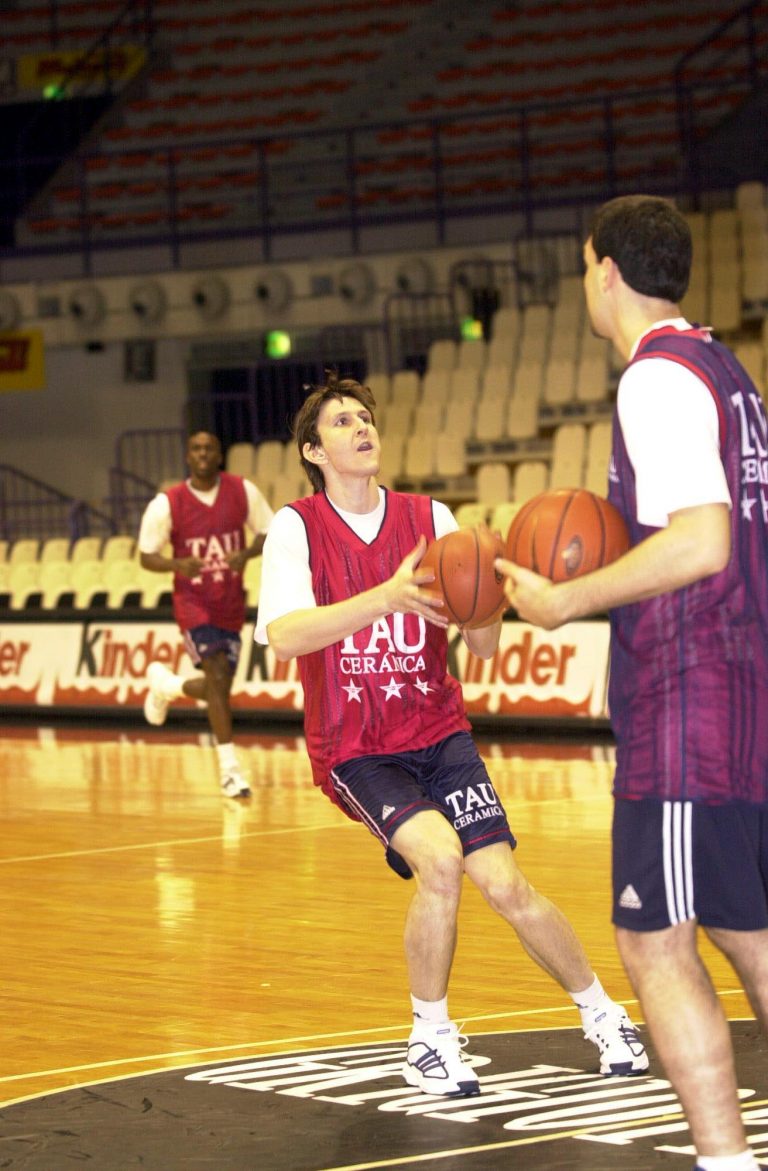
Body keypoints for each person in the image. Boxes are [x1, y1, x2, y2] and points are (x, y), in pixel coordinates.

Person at [254, 370, 647, 1098]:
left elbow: (487, 646)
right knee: (439, 861)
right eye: (340, 422)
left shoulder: (432, 516)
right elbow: (284, 636)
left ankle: (603, 1013)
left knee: (504, 881)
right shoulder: (296, 527)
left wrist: (485, 601)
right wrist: (388, 596)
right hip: (357, 746)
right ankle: (429, 1037)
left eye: (364, 416)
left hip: (438, 730)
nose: (360, 427)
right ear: (313, 450)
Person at [496, 195, 768, 1171]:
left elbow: (702, 543)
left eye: (581, 266)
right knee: (746, 929)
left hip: (690, 700)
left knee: (654, 938)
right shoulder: (728, 372)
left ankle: (726, 1161)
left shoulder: (656, 380)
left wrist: (570, 600)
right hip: (741, 687)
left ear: (604, 269)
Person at [139, 430, 273, 798]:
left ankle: (168, 686)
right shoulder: (168, 503)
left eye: (209, 447)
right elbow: (146, 555)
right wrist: (176, 563)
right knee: (216, 675)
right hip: (194, 604)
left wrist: (245, 555)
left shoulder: (242, 491)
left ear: (219, 455)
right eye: (195, 448)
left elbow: (270, 531)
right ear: (188, 456)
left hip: (230, 602)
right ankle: (230, 771)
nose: (202, 453)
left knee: (220, 688)